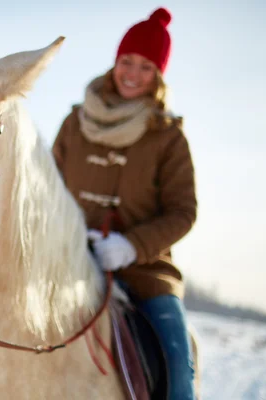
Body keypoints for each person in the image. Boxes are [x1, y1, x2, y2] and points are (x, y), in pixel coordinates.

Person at [52, 7, 197, 400]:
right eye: (127, 61)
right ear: (116, 62)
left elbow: (184, 213)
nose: (133, 73)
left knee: (178, 371)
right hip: (64, 260)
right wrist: (67, 233)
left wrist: (130, 246)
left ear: (159, 76)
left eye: (146, 67)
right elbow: (46, 190)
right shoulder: (74, 123)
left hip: (146, 274)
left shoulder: (169, 139)